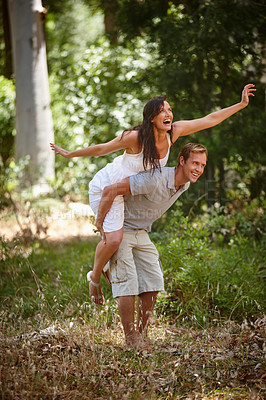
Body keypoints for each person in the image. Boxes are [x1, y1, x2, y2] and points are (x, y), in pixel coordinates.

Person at [50, 83, 255, 305]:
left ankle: (111, 271)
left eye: (169, 109)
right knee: (114, 238)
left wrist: (241, 104)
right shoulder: (135, 137)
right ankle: (95, 276)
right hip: (107, 186)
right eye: (162, 111)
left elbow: (209, 119)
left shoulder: (173, 132)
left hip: (129, 190)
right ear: (151, 118)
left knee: (121, 238)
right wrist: (71, 154)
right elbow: (102, 148)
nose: (168, 114)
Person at [95, 143, 207, 347]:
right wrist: (100, 224)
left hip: (141, 231)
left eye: (202, 165)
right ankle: (131, 339)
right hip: (122, 227)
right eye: (195, 163)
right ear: (182, 161)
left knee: (153, 281)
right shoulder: (154, 178)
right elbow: (111, 189)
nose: (198, 169)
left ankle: (143, 335)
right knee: (128, 283)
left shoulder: (185, 184)